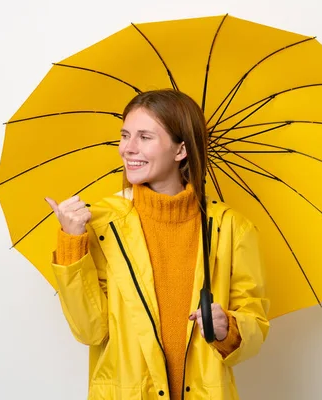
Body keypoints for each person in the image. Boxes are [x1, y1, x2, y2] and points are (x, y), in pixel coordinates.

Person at [45, 89, 270, 400]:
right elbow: (89, 330)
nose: (128, 148)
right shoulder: (100, 224)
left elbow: (255, 322)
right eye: (125, 135)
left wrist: (228, 328)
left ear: (180, 150)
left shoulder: (232, 228)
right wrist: (72, 243)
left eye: (144, 137)